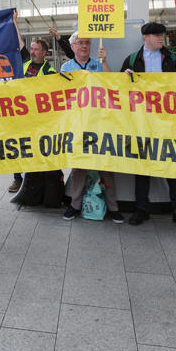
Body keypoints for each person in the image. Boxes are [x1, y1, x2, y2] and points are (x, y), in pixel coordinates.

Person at [120, 22, 176, 230]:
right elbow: (118, 90)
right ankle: (141, 208)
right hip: (142, 121)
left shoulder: (173, 58)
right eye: (156, 35)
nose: (160, 38)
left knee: (173, 164)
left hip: (169, 121)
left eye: (162, 35)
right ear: (145, 37)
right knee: (142, 165)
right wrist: (124, 77)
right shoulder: (131, 60)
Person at [60, 33, 122, 223]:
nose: (84, 46)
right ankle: (75, 205)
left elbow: (111, 85)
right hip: (79, 124)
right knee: (79, 167)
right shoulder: (66, 67)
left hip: (100, 123)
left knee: (105, 166)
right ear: (72, 47)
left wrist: (104, 61)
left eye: (87, 43)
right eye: (80, 43)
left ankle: (114, 208)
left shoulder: (98, 63)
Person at [8, 11, 58, 194]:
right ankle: (17, 179)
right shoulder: (26, 63)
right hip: (21, 113)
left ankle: (35, 179)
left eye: (36, 49)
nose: (32, 51)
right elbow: (20, 41)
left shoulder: (50, 71)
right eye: (32, 48)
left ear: (44, 53)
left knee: (35, 147)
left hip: (38, 118)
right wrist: (14, 21)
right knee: (17, 145)